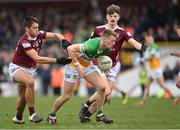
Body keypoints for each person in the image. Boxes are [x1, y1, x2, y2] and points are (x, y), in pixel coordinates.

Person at [79, 4, 149, 123]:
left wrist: (141, 46)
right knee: (104, 91)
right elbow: (89, 43)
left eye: (115, 15)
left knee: (106, 95)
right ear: (106, 17)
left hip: (112, 65)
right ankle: (89, 107)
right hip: (98, 63)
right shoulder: (98, 29)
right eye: (110, 15)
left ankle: (87, 113)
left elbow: (133, 42)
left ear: (118, 17)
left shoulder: (122, 32)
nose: (112, 18)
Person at [8, 16, 72, 124]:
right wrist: (57, 60)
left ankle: (18, 117)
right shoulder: (24, 41)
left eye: (37, 27)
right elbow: (37, 59)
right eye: (34, 28)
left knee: (23, 99)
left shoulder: (38, 34)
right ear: (27, 29)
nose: (37, 30)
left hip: (29, 69)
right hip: (17, 67)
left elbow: (56, 34)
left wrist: (63, 40)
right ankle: (32, 114)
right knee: (30, 82)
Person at [47, 29, 118, 124]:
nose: (114, 43)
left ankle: (99, 114)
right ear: (104, 39)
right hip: (73, 66)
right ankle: (52, 114)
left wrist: (104, 66)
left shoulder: (106, 49)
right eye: (112, 40)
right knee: (66, 96)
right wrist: (78, 65)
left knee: (102, 88)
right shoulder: (91, 45)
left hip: (87, 65)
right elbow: (70, 49)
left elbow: (98, 57)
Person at [138, 34, 178, 105]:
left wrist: (143, 59)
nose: (147, 40)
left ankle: (174, 97)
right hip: (151, 69)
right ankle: (143, 101)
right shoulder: (149, 47)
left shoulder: (154, 46)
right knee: (147, 85)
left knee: (162, 85)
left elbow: (152, 57)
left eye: (149, 39)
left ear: (151, 39)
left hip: (156, 69)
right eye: (147, 39)